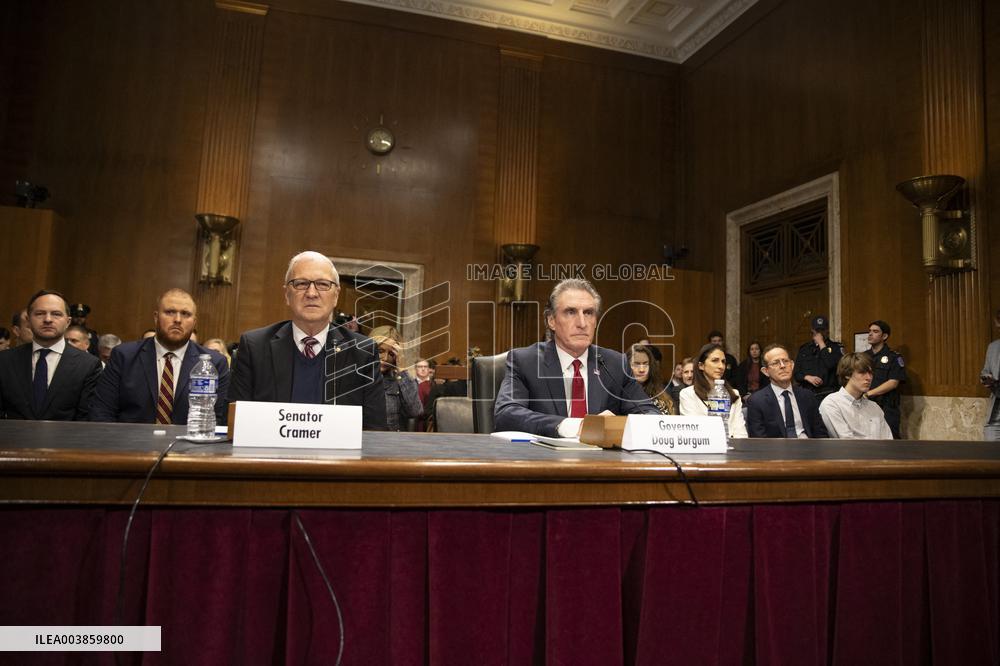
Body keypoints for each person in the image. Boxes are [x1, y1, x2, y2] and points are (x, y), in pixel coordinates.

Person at [228, 251, 386, 429]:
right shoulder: (255, 347)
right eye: (301, 284)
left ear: (336, 295)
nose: (311, 293)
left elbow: (375, 430)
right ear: (287, 294)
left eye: (322, 284)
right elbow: (237, 425)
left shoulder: (362, 351)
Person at [494, 278, 658, 437]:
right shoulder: (525, 361)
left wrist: (616, 426)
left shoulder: (615, 364)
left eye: (588, 313)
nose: (582, 323)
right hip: (545, 454)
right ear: (551, 320)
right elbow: (506, 414)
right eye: (571, 312)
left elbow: (650, 414)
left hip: (601, 455)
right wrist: (573, 426)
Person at [90, 289, 229, 425]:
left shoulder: (214, 363)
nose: (177, 320)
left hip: (189, 439)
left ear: (194, 322)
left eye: (185, 314)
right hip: (131, 439)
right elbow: (102, 411)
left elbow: (218, 420)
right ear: (156, 317)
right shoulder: (124, 356)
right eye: (170, 312)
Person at [0, 290, 101, 420]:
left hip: (66, 433)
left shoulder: (88, 365)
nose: (48, 319)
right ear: (29, 321)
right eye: (40, 314)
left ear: (68, 322)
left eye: (56, 314)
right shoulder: (5, 361)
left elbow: (86, 417)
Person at [746, 343, 828, 438]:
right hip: (775, 447)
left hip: (807, 445)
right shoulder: (757, 401)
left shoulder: (807, 396)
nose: (782, 366)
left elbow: (820, 434)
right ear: (766, 371)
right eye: (775, 363)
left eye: (785, 361)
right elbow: (759, 440)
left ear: (792, 365)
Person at [679, 343, 748, 437]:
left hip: (732, 444)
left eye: (723, 362)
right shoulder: (688, 394)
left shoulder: (734, 394)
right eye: (715, 361)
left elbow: (741, 433)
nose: (721, 366)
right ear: (701, 365)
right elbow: (693, 432)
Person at [819, 353, 893, 439]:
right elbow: (847, 441)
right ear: (847, 374)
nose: (869, 378)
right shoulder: (832, 404)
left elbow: (888, 441)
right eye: (862, 372)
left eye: (870, 373)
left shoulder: (874, 407)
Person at [863, 320, 907, 438]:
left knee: (889, 440)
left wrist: (868, 394)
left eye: (875, 331)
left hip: (886, 407)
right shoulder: (863, 356)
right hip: (866, 405)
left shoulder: (894, 357)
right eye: (870, 331)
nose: (870, 334)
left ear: (884, 336)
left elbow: (893, 382)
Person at [374, 335, 423, 431]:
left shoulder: (400, 379)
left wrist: (402, 369)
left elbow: (416, 411)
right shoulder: (359, 377)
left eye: (391, 354)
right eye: (380, 351)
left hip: (392, 437)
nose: (385, 358)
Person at [793, 315, 843, 401]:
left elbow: (831, 364)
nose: (819, 333)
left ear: (827, 330)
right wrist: (807, 377)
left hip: (828, 395)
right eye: (817, 330)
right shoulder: (804, 349)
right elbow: (796, 373)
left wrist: (821, 344)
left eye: (822, 330)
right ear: (812, 330)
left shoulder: (836, 347)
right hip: (807, 394)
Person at [627, 344, 674, 414]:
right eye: (636, 364)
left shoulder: (661, 395)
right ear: (627, 365)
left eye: (645, 364)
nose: (642, 370)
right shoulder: (620, 395)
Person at [981, 309, 1000, 441]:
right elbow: (985, 371)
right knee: (989, 446)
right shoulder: (993, 347)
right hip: (995, 414)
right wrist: (987, 378)